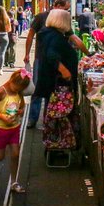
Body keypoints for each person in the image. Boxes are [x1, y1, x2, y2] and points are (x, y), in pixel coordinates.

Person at [22, 0, 85, 128]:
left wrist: (87, 53)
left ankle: (47, 119)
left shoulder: (61, 23)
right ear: (57, 5)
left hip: (48, 62)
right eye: (65, 8)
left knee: (48, 92)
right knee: (39, 89)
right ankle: (33, 119)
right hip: (41, 60)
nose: (67, 11)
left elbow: (74, 38)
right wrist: (27, 53)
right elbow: (31, 35)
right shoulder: (43, 19)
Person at [35, 9, 81, 152]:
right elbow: (52, 55)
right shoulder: (55, 37)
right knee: (58, 114)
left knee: (52, 112)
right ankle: (60, 142)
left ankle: (54, 141)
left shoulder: (49, 33)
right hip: (58, 84)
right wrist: (64, 70)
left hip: (51, 82)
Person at [0, 69, 30, 194]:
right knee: (0, 156)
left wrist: (21, 111)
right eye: (16, 88)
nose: (17, 91)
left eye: (20, 89)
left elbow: (22, 105)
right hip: (1, 128)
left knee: (15, 154)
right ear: (12, 81)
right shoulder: (1, 91)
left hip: (14, 127)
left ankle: (14, 181)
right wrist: (3, 118)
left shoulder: (18, 92)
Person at [0, 6, 13, 73]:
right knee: (2, 52)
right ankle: (1, 69)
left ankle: (0, 67)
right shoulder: (7, 19)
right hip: (5, 36)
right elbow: (9, 29)